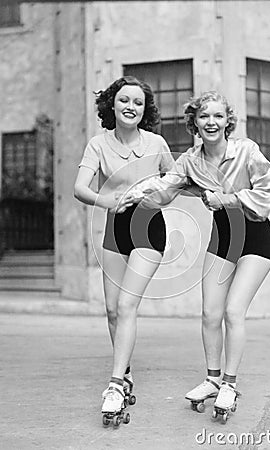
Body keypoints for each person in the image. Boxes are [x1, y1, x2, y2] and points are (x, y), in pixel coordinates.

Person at [129, 90, 270, 418]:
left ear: (228, 122)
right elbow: (166, 187)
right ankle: (212, 380)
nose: (211, 122)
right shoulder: (191, 161)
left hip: (256, 237)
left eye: (218, 116)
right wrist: (137, 193)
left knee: (233, 311)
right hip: (222, 238)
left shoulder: (246, 151)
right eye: (204, 116)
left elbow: (265, 196)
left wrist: (226, 199)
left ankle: (230, 384)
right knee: (210, 313)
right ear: (194, 122)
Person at [74, 76, 174, 418]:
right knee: (113, 309)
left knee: (128, 304)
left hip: (149, 228)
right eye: (124, 100)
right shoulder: (97, 145)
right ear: (112, 105)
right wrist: (106, 199)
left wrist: (161, 192)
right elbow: (79, 188)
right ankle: (126, 370)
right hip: (115, 228)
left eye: (138, 103)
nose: (131, 107)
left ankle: (115, 383)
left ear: (144, 110)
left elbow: (175, 182)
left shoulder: (157, 143)